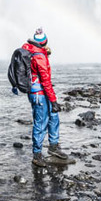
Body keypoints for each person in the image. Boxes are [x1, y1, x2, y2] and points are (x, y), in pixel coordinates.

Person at [22, 28, 68, 167]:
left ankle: (53, 147)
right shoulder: (39, 57)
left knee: (54, 115)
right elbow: (46, 81)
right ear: (45, 41)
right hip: (39, 94)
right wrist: (53, 100)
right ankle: (37, 155)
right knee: (40, 124)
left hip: (39, 92)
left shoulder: (31, 50)